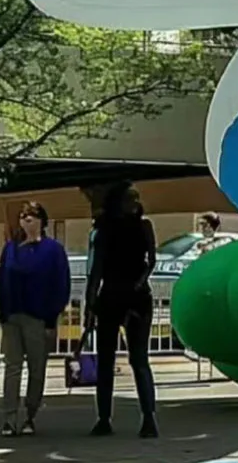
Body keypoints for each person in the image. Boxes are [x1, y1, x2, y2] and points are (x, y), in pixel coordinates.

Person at [85, 182, 158, 438]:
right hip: (133, 296)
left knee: (120, 359)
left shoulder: (106, 231)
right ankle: (142, 418)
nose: (135, 203)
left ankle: (111, 419)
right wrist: (138, 282)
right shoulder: (138, 227)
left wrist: (91, 304)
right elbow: (151, 261)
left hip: (116, 295)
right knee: (133, 360)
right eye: (131, 199)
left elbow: (96, 271)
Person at [0, 202, 70, 437]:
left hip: (38, 317)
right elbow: (1, 280)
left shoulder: (53, 250)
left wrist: (52, 318)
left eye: (32, 216)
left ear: (42, 221)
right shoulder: (11, 249)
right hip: (12, 316)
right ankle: (9, 417)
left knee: (37, 368)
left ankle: (30, 414)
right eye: (24, 216)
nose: (27, 220)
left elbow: (61, 284)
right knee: (12, 367)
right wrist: (1, 309)